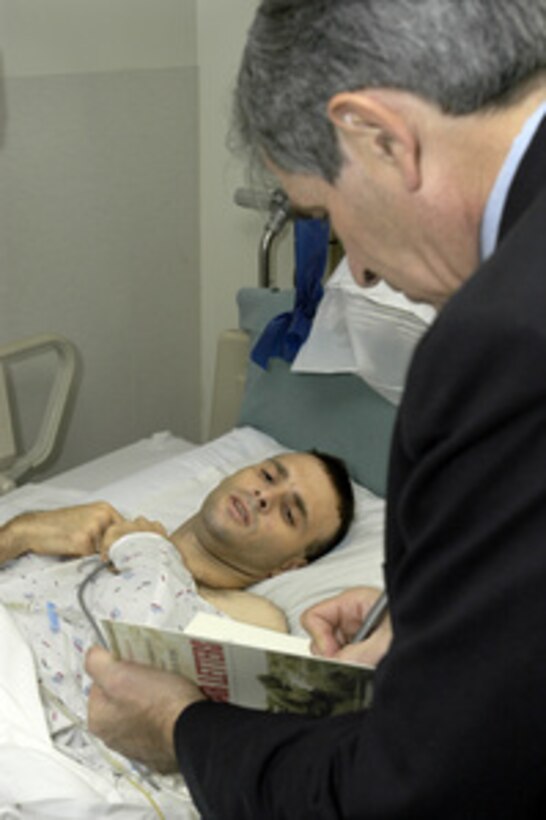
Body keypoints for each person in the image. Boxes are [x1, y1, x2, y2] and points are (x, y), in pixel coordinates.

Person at [85, 2, 546, 817]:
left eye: (326, 217)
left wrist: (183, 729)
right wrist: (428, 624)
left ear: (380, 137)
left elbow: (410, 792)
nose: (357, 272)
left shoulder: (499, 342)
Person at [0, 448, 354, 800]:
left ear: (289, 566)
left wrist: (147, 549)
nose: (264, 497)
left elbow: (131, 648)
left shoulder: (250, 621)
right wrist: (17, 534)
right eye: (267, 475)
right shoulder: (89, 530)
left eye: (289, 512)